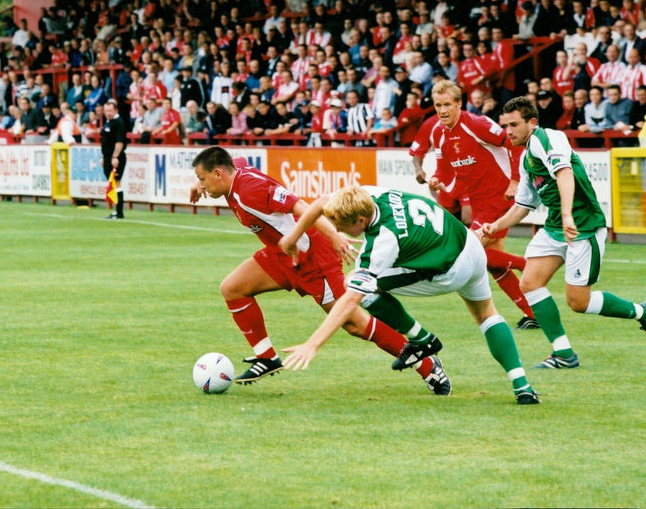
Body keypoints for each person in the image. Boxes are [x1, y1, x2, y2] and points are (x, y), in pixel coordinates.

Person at [189, 147, 450, 394]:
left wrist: (334, 235)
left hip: (312, 257)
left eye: (203, 178)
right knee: (233, 288)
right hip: (282, 253)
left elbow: (300, 206)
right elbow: (235, 161)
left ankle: (427, 366)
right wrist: (199, 184)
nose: (202, 184)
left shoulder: (250, 189)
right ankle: (267, 357)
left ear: (219, 174)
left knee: (354, 323)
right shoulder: (236, 172)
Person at [278, 185, 540, 404]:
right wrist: (293, 237)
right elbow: (322, 202)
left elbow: (351, 301)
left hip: (449, 270)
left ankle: (422, 339)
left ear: (360, 220)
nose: (338, 230)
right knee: (487, 314)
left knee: (356, 287)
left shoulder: (383, 239)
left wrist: (313, 344)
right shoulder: (367, 195)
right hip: (468, 243)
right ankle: (522, 386)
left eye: (342, 226)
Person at [481, 96, 646, 370]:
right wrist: (497, 225)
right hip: (556, 227)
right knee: (530, 282)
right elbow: (523, 205)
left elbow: (564, 173)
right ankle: (563, 353)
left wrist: (567, 214)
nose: (508, 131)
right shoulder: (526, 158)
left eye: (514, 125)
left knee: (578, 302)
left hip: (582, 226)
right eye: (505, 125)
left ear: (532, 123)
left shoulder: (547, 139)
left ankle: (643, 312)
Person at [427, 80, 537, 328]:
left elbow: (513, 142)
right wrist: (437, 179)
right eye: (438, 105)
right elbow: (444, 169)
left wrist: (515, 181)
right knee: (491, 263)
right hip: (480, 202)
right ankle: (533, 313)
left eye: (447, 105)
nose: (442, 110)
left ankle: (526, 265)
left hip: (499, 195)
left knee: (470, 250)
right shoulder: (438, 132)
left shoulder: (476, 124)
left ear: (459, 103)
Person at [101, 100, 128, 220]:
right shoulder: (108, 122)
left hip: (115, 158)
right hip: (107, 157)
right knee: (112, 183)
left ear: (115, 110)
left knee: (117, 182)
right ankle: (115, 210)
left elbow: (119, 142)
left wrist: (115, 157)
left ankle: (119, 211)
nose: (108, 113)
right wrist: (103, 156)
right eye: (106, 111)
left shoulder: (119, 123)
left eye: (110, 111)